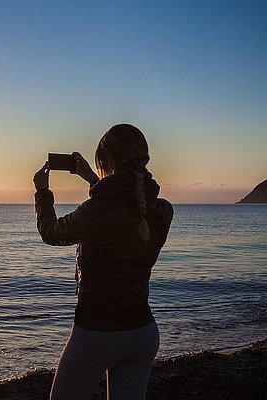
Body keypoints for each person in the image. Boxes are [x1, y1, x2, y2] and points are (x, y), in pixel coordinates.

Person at [33, 123, 173, 400]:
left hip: (97, 333)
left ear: (106, 160)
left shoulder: (97, 212)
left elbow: (52, 233)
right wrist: (90, 178)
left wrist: (42, 193)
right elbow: (127, 203)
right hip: (143, 333)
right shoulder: (162, 211)